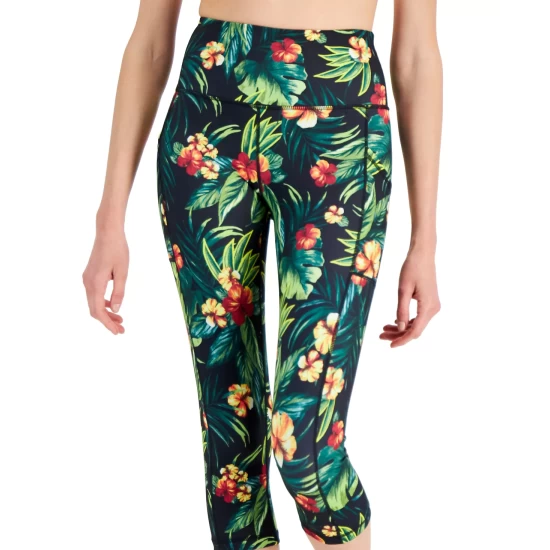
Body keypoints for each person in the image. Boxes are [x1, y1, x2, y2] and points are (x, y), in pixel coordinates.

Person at [83, 0, 442, 548]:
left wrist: (425, 239)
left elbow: (416, 54)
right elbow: (150, 41)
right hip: (205, 126)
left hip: (340, 135)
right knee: (231, 444)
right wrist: (109, 219)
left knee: (306, 448)